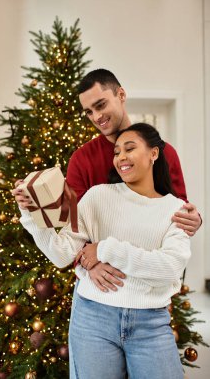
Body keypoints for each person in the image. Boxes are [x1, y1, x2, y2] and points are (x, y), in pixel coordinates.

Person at [13, 123, 191, 379]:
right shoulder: (97, 197)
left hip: (151, 323)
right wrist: (30, 214)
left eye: (130, 149)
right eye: (117, 152)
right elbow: (62, 254)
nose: (121, 157)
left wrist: (105, 249)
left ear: (154, 153)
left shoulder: (175, 209)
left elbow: (170, 267)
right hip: (92, 318)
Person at [65, 68, 201, 293]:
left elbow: (178, 212)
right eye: (89, 112)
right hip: (99, 286)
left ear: (121, 95)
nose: (97, 117)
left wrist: (194, 219)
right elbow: (72, 226)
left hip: (149, 288)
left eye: (101, 105)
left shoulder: (165, 153)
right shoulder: (81, 160)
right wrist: (88, 264)